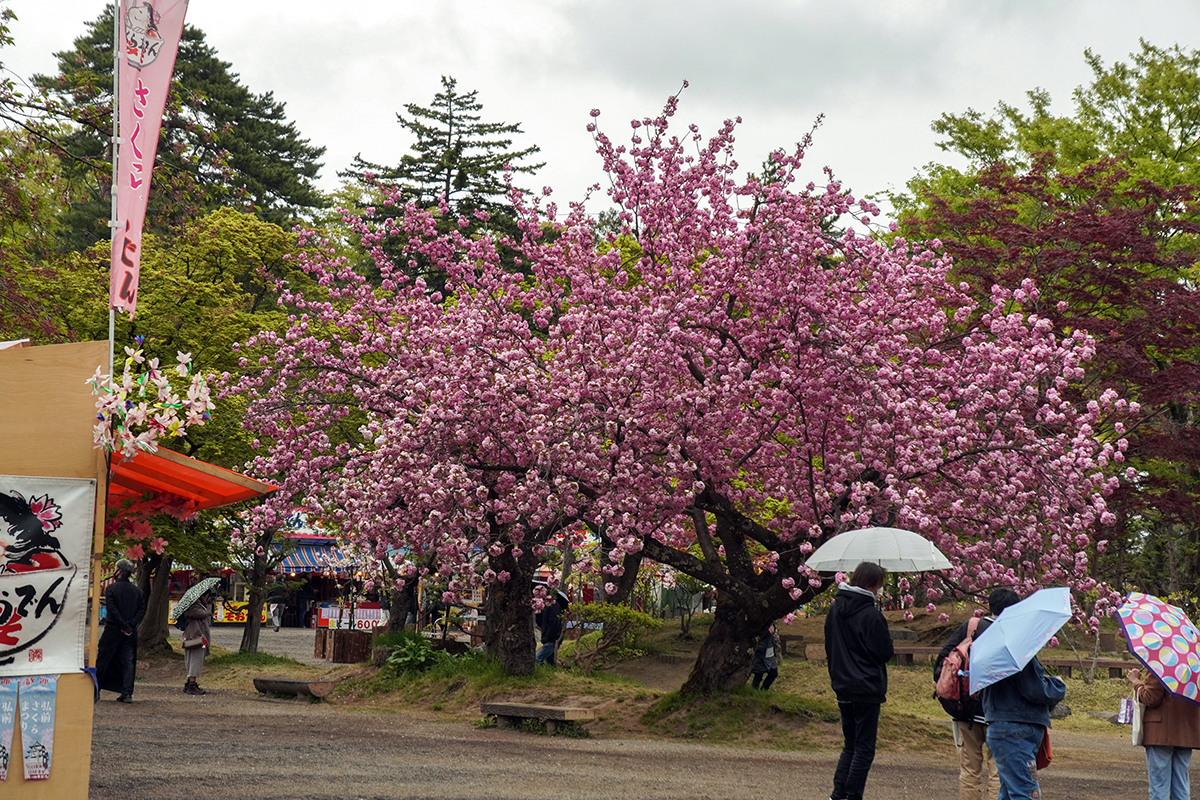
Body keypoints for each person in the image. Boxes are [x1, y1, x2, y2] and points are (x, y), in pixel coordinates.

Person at [935, 588, 1020, 800]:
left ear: (989, 606)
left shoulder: (972, 627)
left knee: (969, 770)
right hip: (1000, 715)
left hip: (966, 709)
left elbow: (943, 660)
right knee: (998, 771)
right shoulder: (1015, 634)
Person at [825, 561, 893, 800]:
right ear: (873, 585)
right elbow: (884, 652)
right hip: (866, 688)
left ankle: (838, 793)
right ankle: (852, 794)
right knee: (864, 748)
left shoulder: (834, 610)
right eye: (879, 585)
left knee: (850, 745)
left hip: (843, 685)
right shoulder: (870, 615)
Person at [981, 613, 1066, 800]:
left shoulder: (993, 651)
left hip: (1001, 726)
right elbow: (1035, 690)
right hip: (1016, 729)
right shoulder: (1018, 650)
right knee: (1025, 792)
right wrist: (1057, 685)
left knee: (1009, 791)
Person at [1127, 666, 1200, 800]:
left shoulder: (1160, 665)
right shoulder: (1195, 667)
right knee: (1181, 786)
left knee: (1159, 786)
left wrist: (1136, 682)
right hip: (1187, 733)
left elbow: (1151, 698)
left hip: (1160, 733)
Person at [96, 559, 146, 703]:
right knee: (128, 662)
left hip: (113, 629)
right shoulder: (138, 591)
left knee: (103, 658)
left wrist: (123, 624)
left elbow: (112, 609)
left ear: (118, 572)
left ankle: (96, 690)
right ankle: (127, 693)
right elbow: (142, 610)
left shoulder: (111, 589)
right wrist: (130, 625)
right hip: (130, 631)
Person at [182, 589, 214, 696]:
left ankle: (190, 682)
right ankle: (192, 683)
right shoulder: (194, 605)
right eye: (207, 596)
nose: (207, 599)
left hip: (193, 636)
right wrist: (208, 610)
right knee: (195, 660)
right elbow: (198, 613)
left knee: (192, 660)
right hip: (195, 637)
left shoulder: (195, 604)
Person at [535, 593, 565, 666]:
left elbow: (553, 624)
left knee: (537, 659)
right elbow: (542, 624)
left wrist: (546, 638)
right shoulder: (545, 606)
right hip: (549, 638)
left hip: (552, 639)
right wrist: (538, 614)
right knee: (551, 662)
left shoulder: (554, 605)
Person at [751, 623, 779, 690]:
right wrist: (768, 632)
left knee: (773, 673)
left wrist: (774, 637)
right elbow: (757, 636)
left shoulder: (772, 622)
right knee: (758, 674)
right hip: (761, 653)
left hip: (770, 653)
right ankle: (753, 691)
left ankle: (764, 689)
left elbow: (772, 633)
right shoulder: (760, 621)